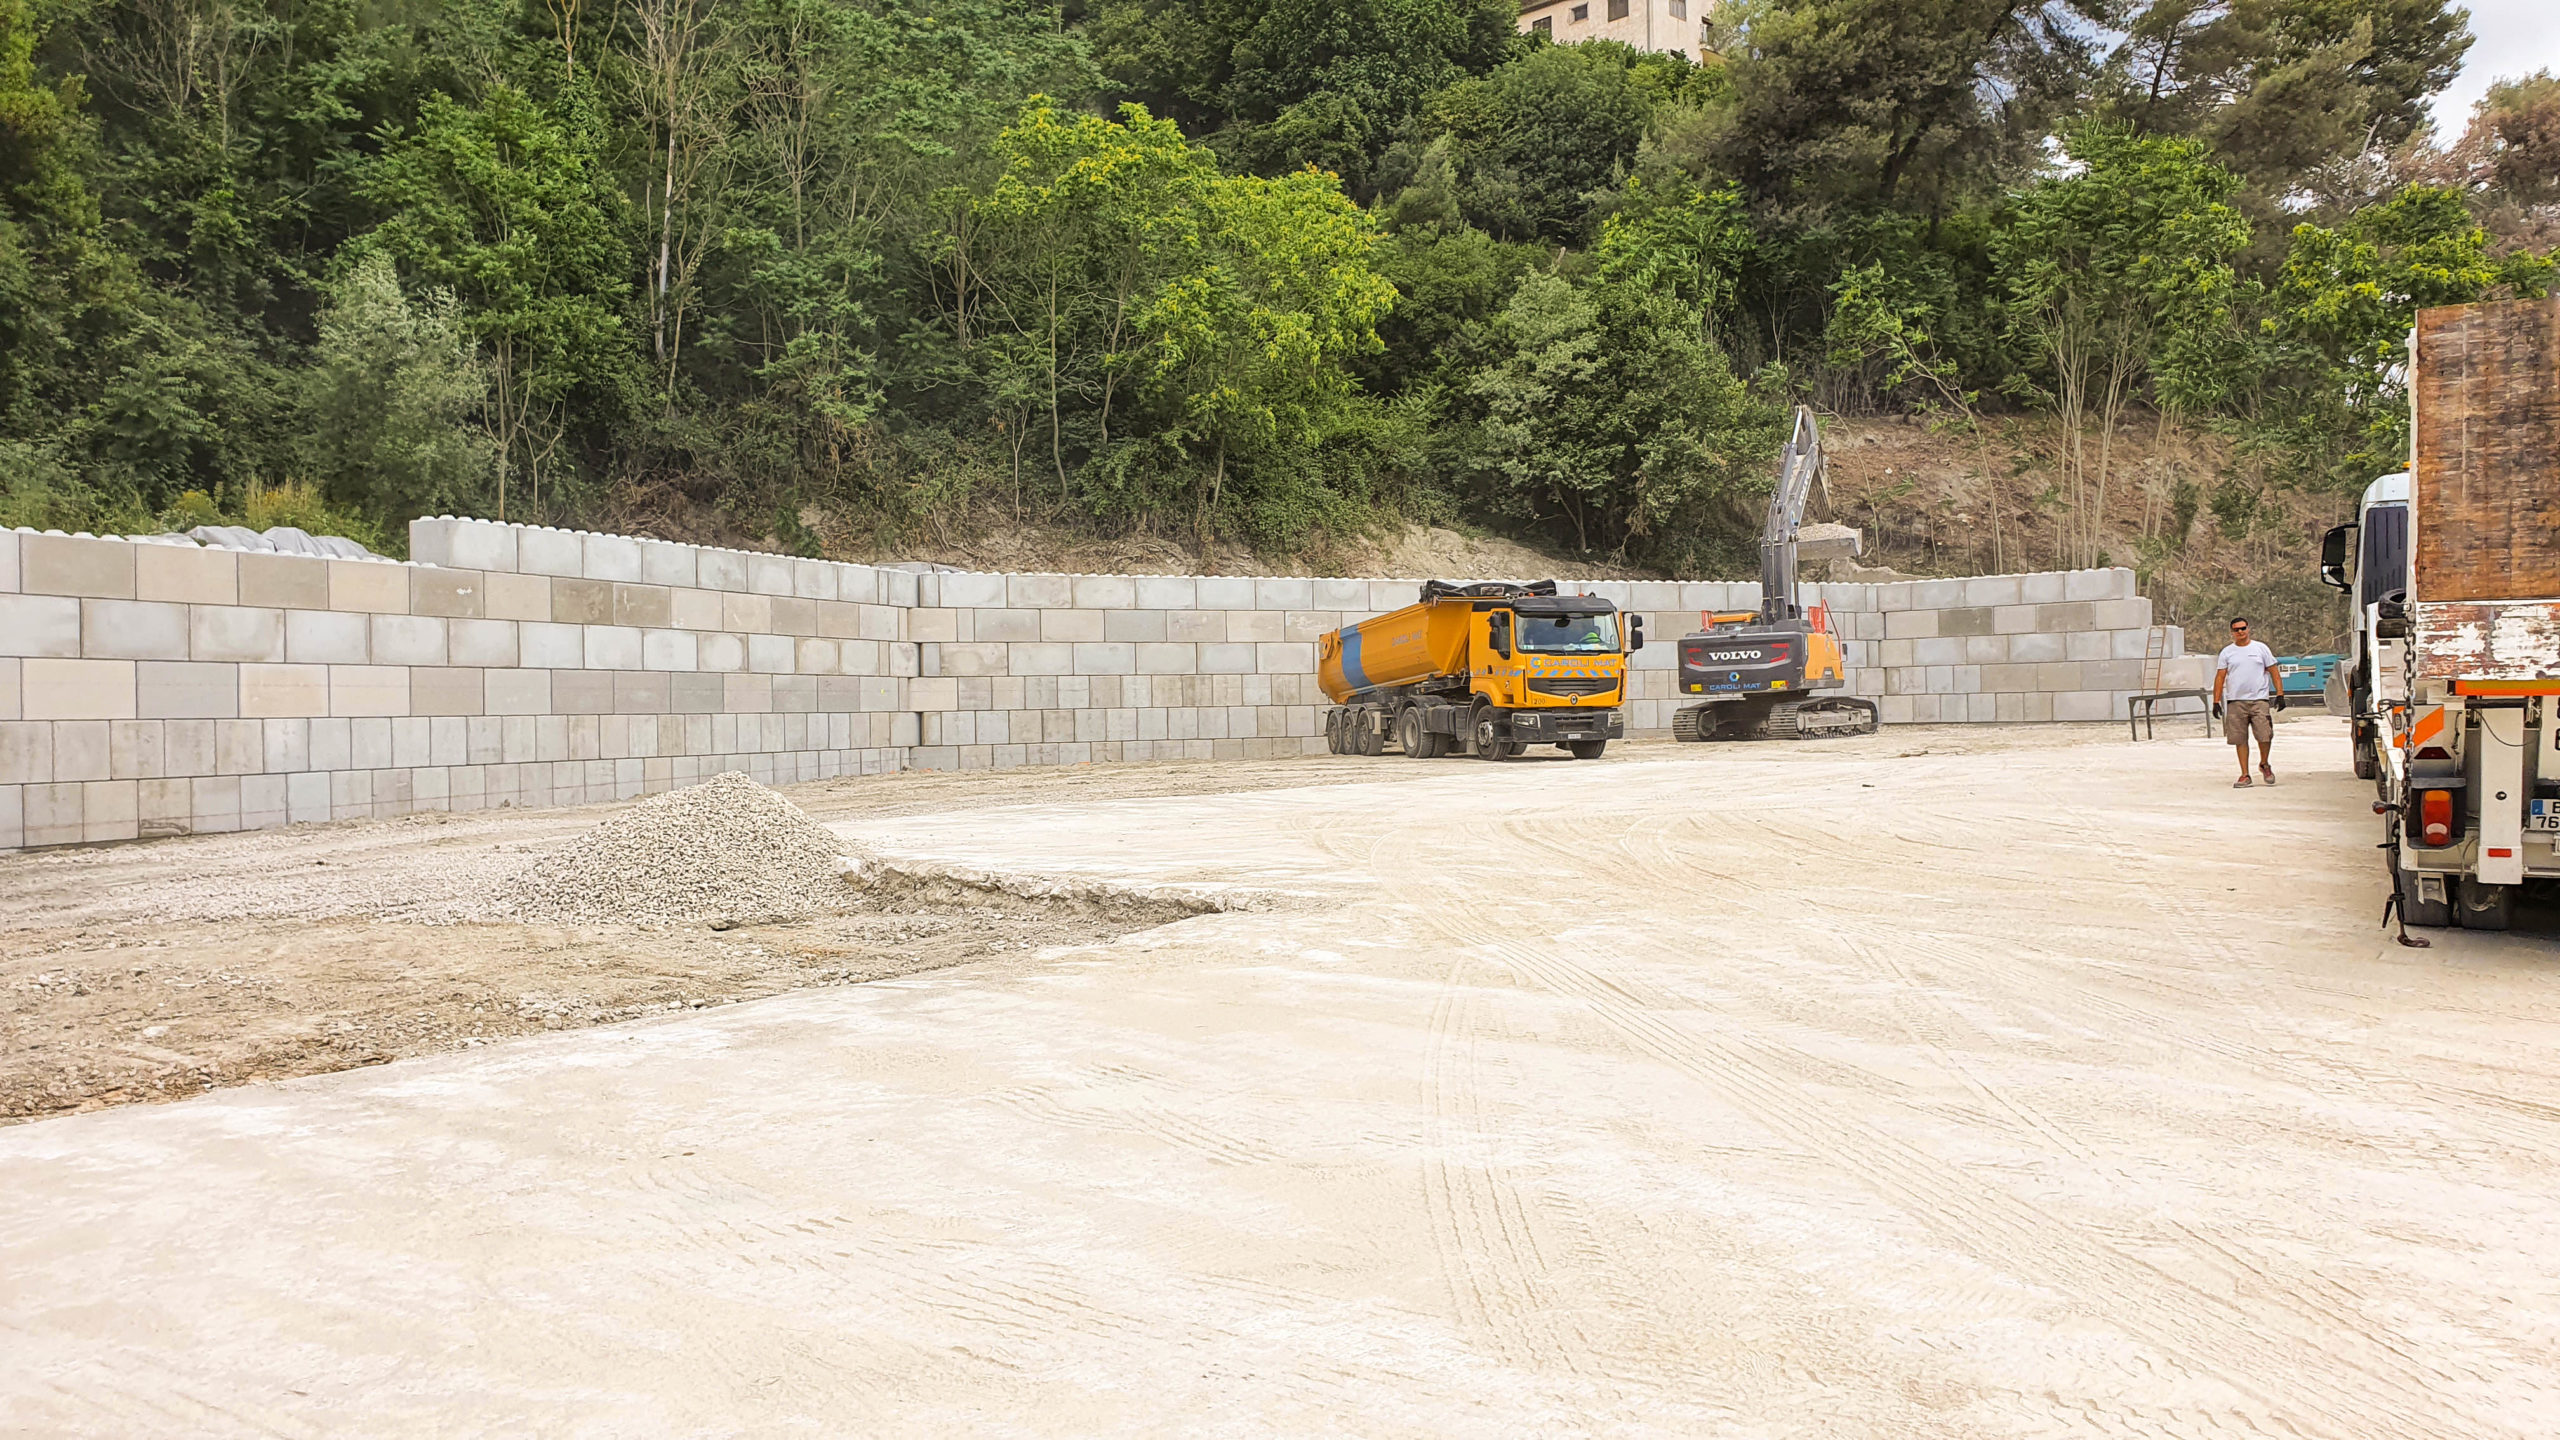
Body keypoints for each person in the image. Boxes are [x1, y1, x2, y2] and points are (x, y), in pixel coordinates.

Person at [2212, 617, 2284, 787]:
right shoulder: (2227, 652)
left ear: (2248, 629)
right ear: (2232, 633)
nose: (2240, 632)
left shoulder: (2260, 648)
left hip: (2259, 699)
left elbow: (2274, 671)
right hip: (2236, 701)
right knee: (2239, 739)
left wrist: (2280, 694)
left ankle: (2264, 764)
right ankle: (2245, 774)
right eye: (2236, 630)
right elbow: (2220, 676)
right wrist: (2216, 701)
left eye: (2243, 628)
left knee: (2264, 735)